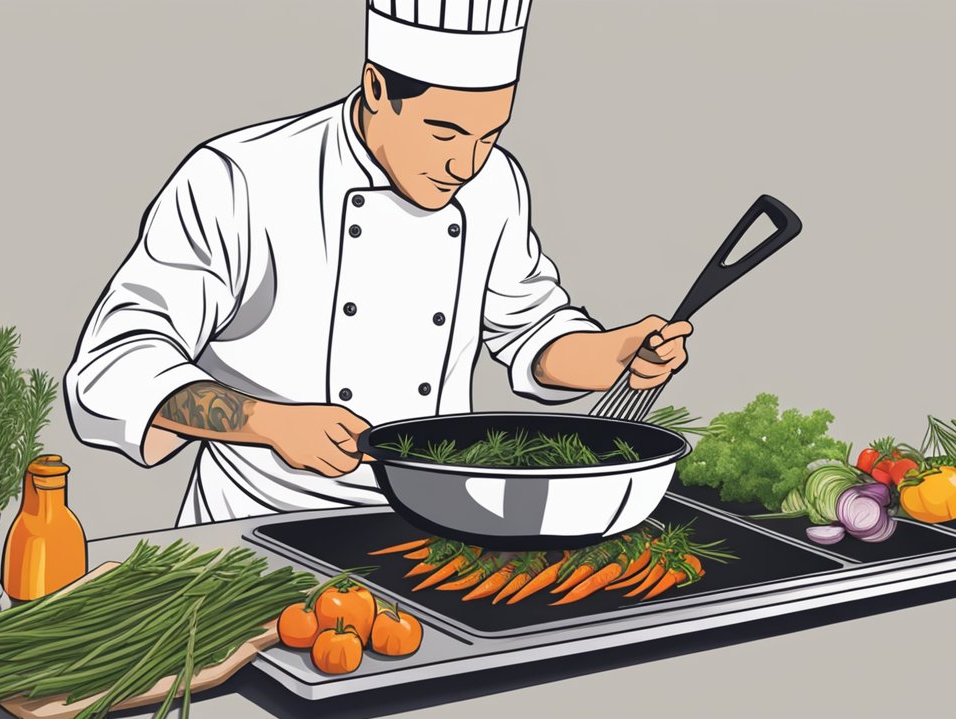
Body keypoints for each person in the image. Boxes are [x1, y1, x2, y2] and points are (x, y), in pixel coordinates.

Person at [64, 0, 693, 526]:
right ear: (375, 87)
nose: (465, 164)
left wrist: (607, 354)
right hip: (253, 525)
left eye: (489, 134)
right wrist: (271, 423)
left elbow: (528, 328)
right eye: (444, 131)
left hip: (439, 522)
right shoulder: (241, 179)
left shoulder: (495, 184)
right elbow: (114, 366)